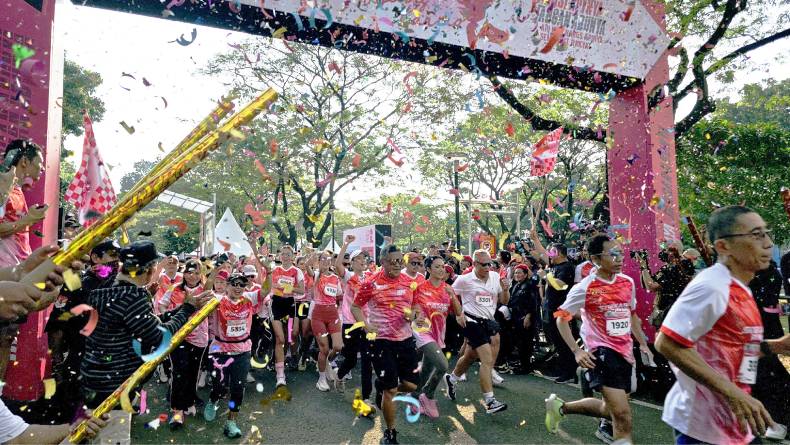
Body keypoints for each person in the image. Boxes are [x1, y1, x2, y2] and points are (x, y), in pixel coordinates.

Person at [655, 206, 790, 444]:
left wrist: (777, 346)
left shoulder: (740, 287)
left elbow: (735, 346)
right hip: (704, 426)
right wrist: (733, 393)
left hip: (736, 421)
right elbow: (667, 343)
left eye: (766, 233)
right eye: (756, 235)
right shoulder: (711, 287)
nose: (767, 243)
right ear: (723, 246)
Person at [545, 235, 653, 444]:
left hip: (626, 352)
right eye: (612, 254)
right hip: (601, 352)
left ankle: (561, 407)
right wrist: (577, 351)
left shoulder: (627, 282)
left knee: (608, 409)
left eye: (620, 253)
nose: (619, 258)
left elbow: (631, 316)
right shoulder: (585, 287)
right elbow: (561, 319)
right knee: (622, 415)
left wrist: (642, 344)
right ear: (595, 259)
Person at [80, 241, 212, 408]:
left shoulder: (105, 290)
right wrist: (187, 309)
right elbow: (159, 336)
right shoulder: (133, 296)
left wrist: (180, 309)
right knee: (110, 433)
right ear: (149, 270)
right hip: (113, 390)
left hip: (94, 380)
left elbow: (148, 322)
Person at [45, 239, 120, 422]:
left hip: (110, 364)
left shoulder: (120, 285)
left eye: (119, 257)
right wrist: (57, 364)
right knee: (73, 416)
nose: (116, 261)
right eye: (112, 256)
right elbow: (57, 325)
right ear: (95, 257)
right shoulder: (76, 281)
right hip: (80, 361)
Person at [352, 244, 420, 445]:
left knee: (411, 385)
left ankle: (382, 389)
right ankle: (390, 434)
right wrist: (366, 326)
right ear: (383, 262)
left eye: (401, 261)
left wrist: (414, 314)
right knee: (391, 390)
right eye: (394, 261)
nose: (398, 265)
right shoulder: (370, 283)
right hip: (381, 341)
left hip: (405, 339)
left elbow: (415, 304)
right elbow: (355, 306)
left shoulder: (410, 282)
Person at [444, 249, 510, 414]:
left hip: (489, 322)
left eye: (490, 263)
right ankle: (490, 401)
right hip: (471, 322)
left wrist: (506, 289)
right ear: (474, 264)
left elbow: (504, 301)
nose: (488, 267)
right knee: (487, 359)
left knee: (470, 356)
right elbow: (449, 295)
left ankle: (451, 379)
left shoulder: (495, 277)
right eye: (484, 264)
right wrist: (458, 314)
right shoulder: (464, 280)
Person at [204, 272, 266, 438]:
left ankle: (231, 421)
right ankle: (213, 400)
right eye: (235, 284)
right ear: (227, 285)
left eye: (242, 284)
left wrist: (269, 269)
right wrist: (214, 272)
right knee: (219, 386)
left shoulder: (249, 298)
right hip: (220, 351)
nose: (238, 287)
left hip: (242, 350)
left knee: (238, 388)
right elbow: (202, 294)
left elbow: (266, 291)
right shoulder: (218, 300)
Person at [412, 255, 464, 418]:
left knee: (427, 369)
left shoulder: (447, 288)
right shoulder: (419, 287)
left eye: (443, 266)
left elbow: (457, 312)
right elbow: (409, 308)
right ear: (428, 269)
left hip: (438, 333)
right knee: (442, 365)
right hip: (422, 331)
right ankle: (428, 395)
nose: (442, 269)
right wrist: (415, 315)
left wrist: (452, 295)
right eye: (437, 267)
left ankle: (413, 397)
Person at [164, 259, 214, 429]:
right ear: (183, 273)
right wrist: (172, 316)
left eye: (195, 272)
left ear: (201, 274)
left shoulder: (207, 291)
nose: (191, 276)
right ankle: (177, 411)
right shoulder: (175, 288)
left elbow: (214, 311)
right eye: (188, 272)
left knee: (193, 371)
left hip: (200, 337)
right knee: (179, 372)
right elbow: (161, 306)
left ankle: (189, 402)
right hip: (179, 338)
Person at [530, 229, 578, 383]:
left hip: (562, 310)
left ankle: (570, 373)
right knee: (557, 341)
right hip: (550, 309)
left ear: (561, 253)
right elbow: (543, 253)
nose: (550, 254)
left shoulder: (567, 267)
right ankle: (564, 370)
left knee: (564, 341)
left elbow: (561, 286)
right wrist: (535, 239)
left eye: (553, 251)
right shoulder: (553, 265)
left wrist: (547, 276)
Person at [749, 260, 790, 430]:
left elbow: (766, 298)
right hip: (754, 332)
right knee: (759, 372)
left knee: (767, 372)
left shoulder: (770, 273)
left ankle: (776, 420)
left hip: (765, 328)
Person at [335, 236, 374, 400]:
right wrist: (346, 244)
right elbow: (337, 265)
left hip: (366, 323)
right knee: (350, 359)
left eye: (363, 258)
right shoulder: (348, 276)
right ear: (351, 262)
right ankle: (339, 376)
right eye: (358, 259)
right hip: (350, 323)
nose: (361, 261)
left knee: (367, 360)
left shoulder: (370, 277)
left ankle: (366, 397)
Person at [268, 245, 305, 387]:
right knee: (280, 338)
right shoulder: (274, 269)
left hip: (290, 305)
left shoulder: (297, 271)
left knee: (289, 337)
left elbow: (301, 290)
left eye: (288, 254)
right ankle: (280, 375)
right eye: (283, 254)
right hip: (276, 304)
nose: (285, 257)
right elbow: (269, 286)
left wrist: (287, 288)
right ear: (279, 256)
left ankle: (279, 362)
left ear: (293, 256)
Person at [503, 264, 541, 374]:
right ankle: (522, 364)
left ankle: (526, 367)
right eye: (515, 273)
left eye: (519, 272)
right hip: (516, 317)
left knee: (526, 343)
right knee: (520, 342)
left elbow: (534, 303)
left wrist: (528, 316)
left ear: (525, 274)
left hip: (525, 318)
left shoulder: (530, 285)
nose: (517, 275)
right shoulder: (516, 285)